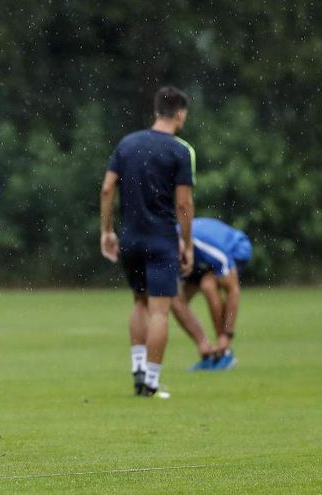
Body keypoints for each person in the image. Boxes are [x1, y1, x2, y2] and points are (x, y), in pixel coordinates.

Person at [100, 86, 195, 398]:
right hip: (162, 240)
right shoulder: (180, 150)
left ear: (156, 110)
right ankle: (151, 382)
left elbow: (107, 189)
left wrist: (107, 230)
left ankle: (138, 368)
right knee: (159, 312)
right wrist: (187, 243)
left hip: (131, 239)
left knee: (139, 302)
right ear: (179, 113)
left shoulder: (128, 144)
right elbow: (183, 204)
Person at [170, 217, 251, 371]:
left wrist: (227, 335)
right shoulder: (167, 245)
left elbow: (233, 290)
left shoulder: (204, 246)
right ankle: (206, 349)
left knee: (208, 284)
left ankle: (224, 352)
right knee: (174, 298)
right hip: (197, 257)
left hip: (236, 249)